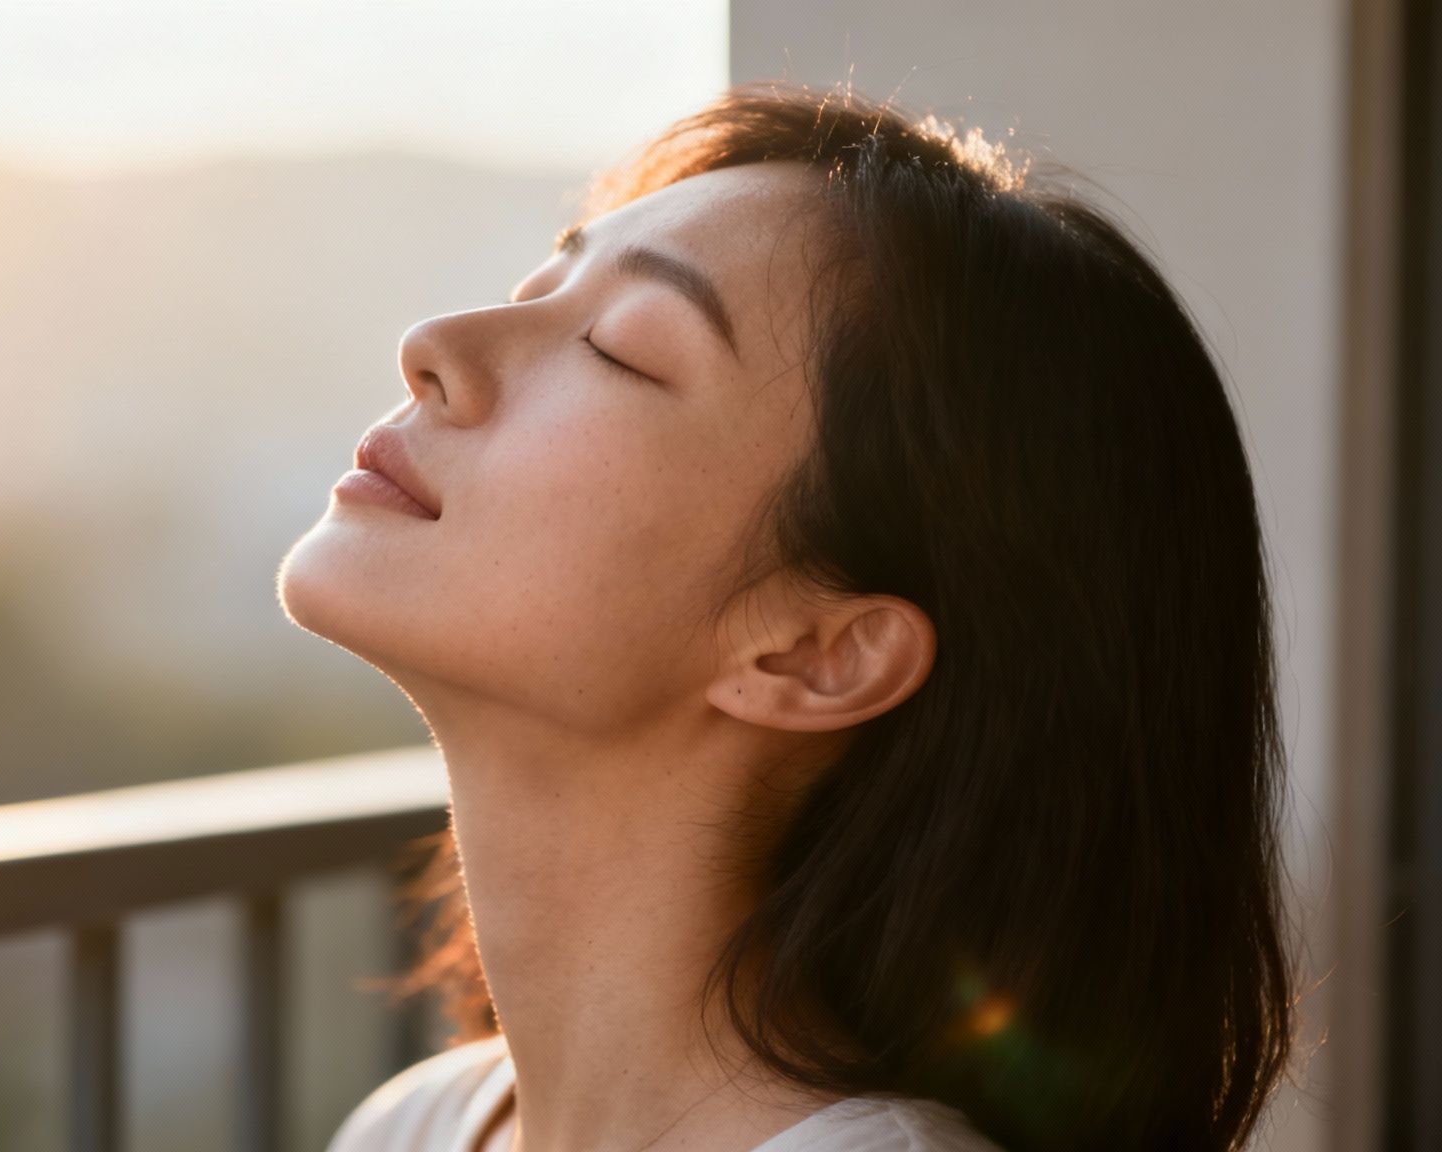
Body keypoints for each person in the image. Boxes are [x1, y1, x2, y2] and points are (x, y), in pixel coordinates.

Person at [274, 79, 1295, 1152]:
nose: (433, 343)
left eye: (619, 347)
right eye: (540, 284)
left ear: (817, 653)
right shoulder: (420, 1125)